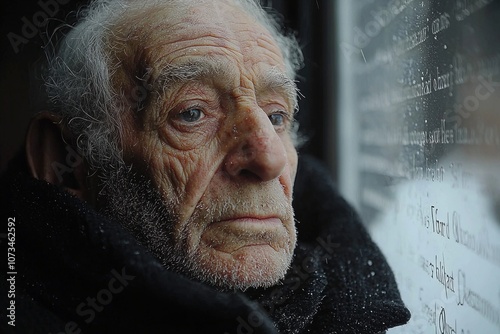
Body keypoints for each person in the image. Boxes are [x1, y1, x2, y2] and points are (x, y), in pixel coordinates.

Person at [0, 0, 410, 333]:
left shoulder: (344, 282)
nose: (269, 159)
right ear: (63, 164)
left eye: (276, 115)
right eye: (193, 113)